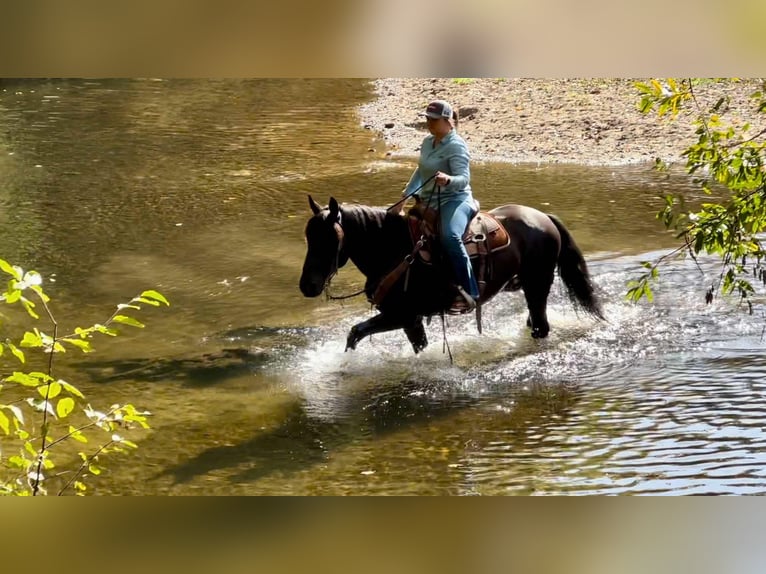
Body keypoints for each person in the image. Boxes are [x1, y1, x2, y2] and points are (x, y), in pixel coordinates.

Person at [388, 99, 480, 314]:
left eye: (434, 120)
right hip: (428, 199)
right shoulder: (428, 142)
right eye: (427, 119)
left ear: (448, 121)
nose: (429, 123)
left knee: (449, 236)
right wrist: (404, 197)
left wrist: (448, 179)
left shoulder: (457, 145)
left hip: (455, 200)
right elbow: (421, 172)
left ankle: (471, 291)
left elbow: (464, 179)